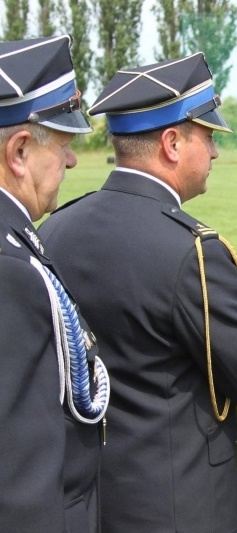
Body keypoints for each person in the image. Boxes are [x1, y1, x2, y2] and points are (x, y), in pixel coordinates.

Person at [38, 53, 237, 533]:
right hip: (176, 503)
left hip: (87, 496)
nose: (214, 153)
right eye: (208, 136)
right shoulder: (190, 251)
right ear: (172, 142)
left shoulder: (58, 228)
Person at [0, 35, 107, 532]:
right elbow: (20, 478)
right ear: (20, 151)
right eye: (63, 144)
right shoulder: (10, 270)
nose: (70, 162)